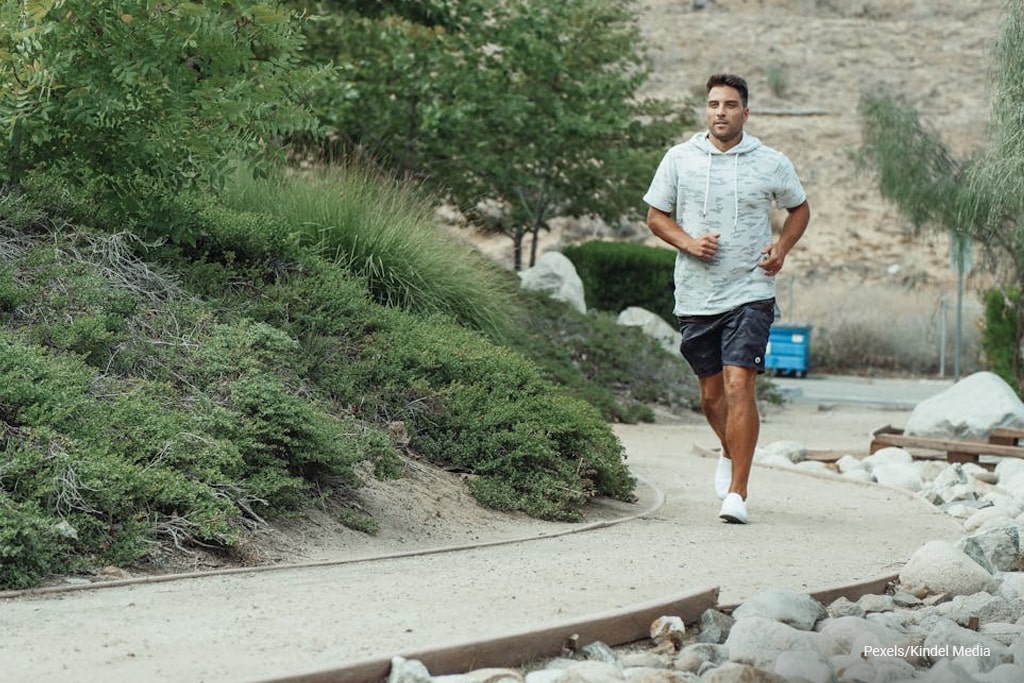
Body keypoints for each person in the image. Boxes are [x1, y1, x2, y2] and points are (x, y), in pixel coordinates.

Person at [642, 73, 810, 524]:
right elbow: (656, 217)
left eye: (730, 105)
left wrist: (781, 249)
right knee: (711, 397)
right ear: (707, 110)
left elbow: (800, 208)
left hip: (751, 288)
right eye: (714, 104)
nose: (721, 112)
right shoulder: (679, 158)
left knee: (740, 384)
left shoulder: (770, 162)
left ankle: (738, 492)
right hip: (697, 293)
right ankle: (728, 449)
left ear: (745, 113)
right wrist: (689, 242)